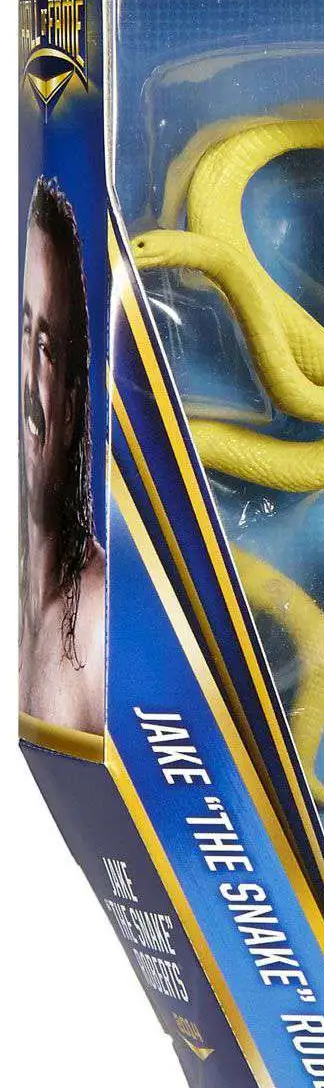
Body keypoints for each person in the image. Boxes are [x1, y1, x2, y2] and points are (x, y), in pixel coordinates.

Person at [19, 177, 105, 733]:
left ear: (71, 407)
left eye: (46, 349)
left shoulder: (97, 617)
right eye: (23, 332)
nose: (27, 379)